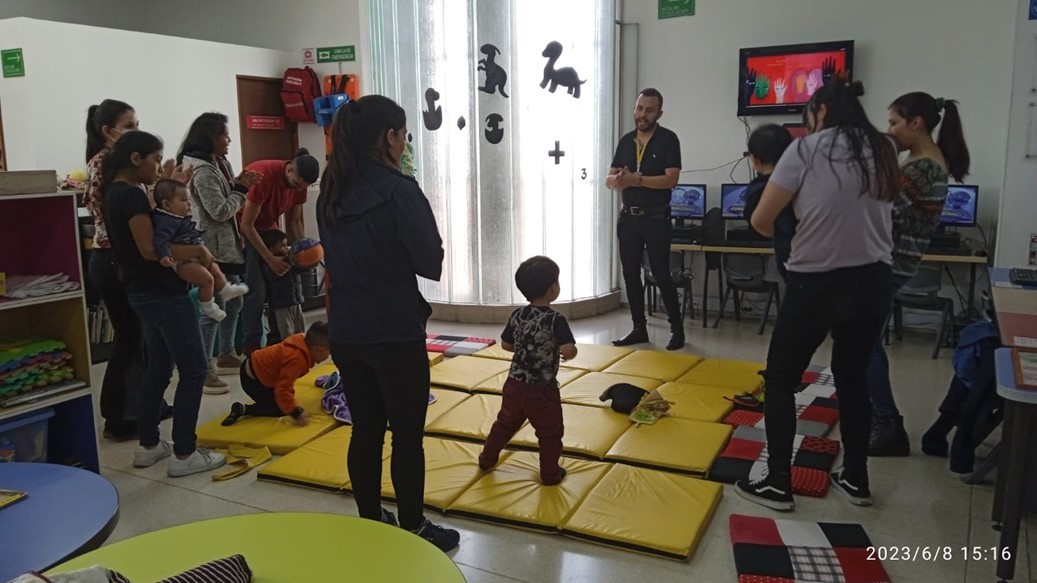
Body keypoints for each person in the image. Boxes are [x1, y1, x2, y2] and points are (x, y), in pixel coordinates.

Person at [736, 78, 900, 511]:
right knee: (852, 378)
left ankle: (776, 483)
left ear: (821, 112)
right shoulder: (883, 148)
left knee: (781, 381)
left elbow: (761, 219)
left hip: (817, 282)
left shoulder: (806, 149)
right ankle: (857, 479)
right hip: (874, 281)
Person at [317, 95, 458, 551]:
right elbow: (430, 262)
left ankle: (370, 519)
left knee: (366, 429)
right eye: (403, 134)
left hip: (346, 328)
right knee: (407, 435)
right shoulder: (400, 190)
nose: (405, 142)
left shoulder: (330, 189)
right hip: (394, 330)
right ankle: (414, 525)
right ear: (390, 138)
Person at [101, 130, 226, 477]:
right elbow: (152, 250)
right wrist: (200, 252)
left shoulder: (114, 192)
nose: (159, 167)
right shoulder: (132, 198)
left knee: (158, 368)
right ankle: (185, 454)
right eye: (155, 160)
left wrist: (168, 186)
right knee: (194, 370)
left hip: (142, 293)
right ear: (135, 159)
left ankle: (149, 445)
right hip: (162, 293)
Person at [867, 92, 971, 457]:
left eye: (894, 123)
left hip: (889, 264)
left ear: (917, 123)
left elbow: (881, 209)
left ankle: (887, 421)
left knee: (863, 344)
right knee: (865, 341)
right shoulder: (915, 159)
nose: (889, 129)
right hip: (889, 261)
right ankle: (877, 414)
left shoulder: (923, 167)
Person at [84, 99, 170, 440]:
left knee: (142, 338)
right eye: (130, 126)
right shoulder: (106, 165)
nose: (137, 131)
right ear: (109, 131)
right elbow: (120, 218)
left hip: (126, 257)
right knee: (129, 338)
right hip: (113, 258)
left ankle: (148, 404)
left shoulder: (130, 172)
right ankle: (119, 416)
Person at [178, 113, 262, 394]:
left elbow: (226, 196)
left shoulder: (218, 163)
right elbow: (220, 210)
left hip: (227, 246)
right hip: (211, 248)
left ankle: (227, 352)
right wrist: (242, 190)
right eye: (225, 135)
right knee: (212, 309)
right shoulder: (201, 170)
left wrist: (239, 182)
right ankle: (204, 368)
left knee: (234, 301)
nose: (229, 140)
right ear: (210, 138)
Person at [478, 256, 577, 485]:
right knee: (550, 433)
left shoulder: (517, 315)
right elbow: (568, 349)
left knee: (505, 423)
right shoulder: (555, 320)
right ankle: (550, 473)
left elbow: (506, 345)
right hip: (542, 391)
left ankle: (487, 458)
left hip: (514, 384)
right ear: (553, 288)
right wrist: (568, 353)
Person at [606, 88, 684, 350]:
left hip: (656, 219)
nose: (642, 114)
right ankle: (638, 328)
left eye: (649, 110)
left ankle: (677, 329)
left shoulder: (668, 139)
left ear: (659, 113)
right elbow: (609, 180)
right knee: (630, 274)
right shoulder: (627, 141)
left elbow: (671, 180)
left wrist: (635, 179)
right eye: (639, 108)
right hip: (628, 219)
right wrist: (618, 180)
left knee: (661, 273)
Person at [239, 149, 320, 355]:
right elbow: (247, 225)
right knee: (256, 291)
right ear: (289, 169)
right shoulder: (263, 175)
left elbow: (295, 221)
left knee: (283, 285)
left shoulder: (299, 184)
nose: (299, 189)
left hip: (271, 228)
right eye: (297, 184)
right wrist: (270, 259)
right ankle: (252, 345)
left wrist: (304, 249)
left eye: (303, 187)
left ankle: (278, 341)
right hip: (247, 230)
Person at [151, 179, 250, 321]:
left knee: (213, 266)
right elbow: (160, 241)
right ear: (167, 204)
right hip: (180, 262)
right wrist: (164, 256)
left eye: (189, 200)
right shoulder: (166, 221)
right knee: (207, 279)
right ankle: (207, 306)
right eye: (184, 200)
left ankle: (225, 289)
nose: (189, 204)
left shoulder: (179, 217)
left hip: (192, 255)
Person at [220, 321, 330, 427]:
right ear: (319, 349)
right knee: (281, 409)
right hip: (252, 379)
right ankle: (242, 409)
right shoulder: (297, 360)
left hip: (254, 367)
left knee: (285, 402)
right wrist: (295, 413)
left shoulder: (302, 343)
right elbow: (282, 389)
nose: (329, 356)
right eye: (329, 352)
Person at [742, 124, 796, 282]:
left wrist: (781, 233)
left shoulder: (759, 188)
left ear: (755, 160)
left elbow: (757, 222)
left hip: (791, 255)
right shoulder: (803, 178)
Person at [259, 229, 305, 341]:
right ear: (270, 249)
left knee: (300, 329)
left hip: (295, 301)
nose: (286, 248)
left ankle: (302, 350)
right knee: (287, 332)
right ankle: (290, 352)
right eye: (282, 245)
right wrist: (290, 261)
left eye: (286, 245)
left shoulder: (289, 259)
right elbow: (274, 275)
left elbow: (299, 271)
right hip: (281, 304)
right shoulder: (269, 264)